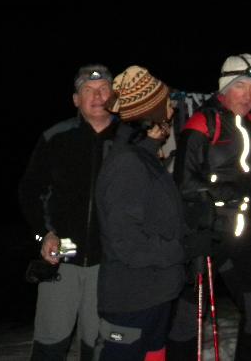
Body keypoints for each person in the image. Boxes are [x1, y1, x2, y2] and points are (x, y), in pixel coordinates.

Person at [167, 53, 251, 361]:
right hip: (207, 233)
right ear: (225, 87)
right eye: (241, 86)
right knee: (188, 316)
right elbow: (184, 185)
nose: (248, 95)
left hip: (246, 234)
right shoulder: (203, 123)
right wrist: (236, 188)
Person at [18, 64, 126, 361]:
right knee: (50, 342)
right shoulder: (56, 137)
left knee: (99, 343)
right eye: (88, 90)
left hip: (110, 260)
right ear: (76, 99)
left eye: (103, 89)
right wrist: (43, 234)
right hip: (62, 254)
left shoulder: (130, 140)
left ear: (114, 95)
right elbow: (29, 192)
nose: (97, 96)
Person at [95, 66, 186, 361]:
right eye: (166, 103)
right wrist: (180, 249)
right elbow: (127, 242)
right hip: (132, 300)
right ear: (151, 113)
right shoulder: (127, 164)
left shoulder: (143, 157)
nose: (173, 109)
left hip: (154, 294)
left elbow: (155, 216)